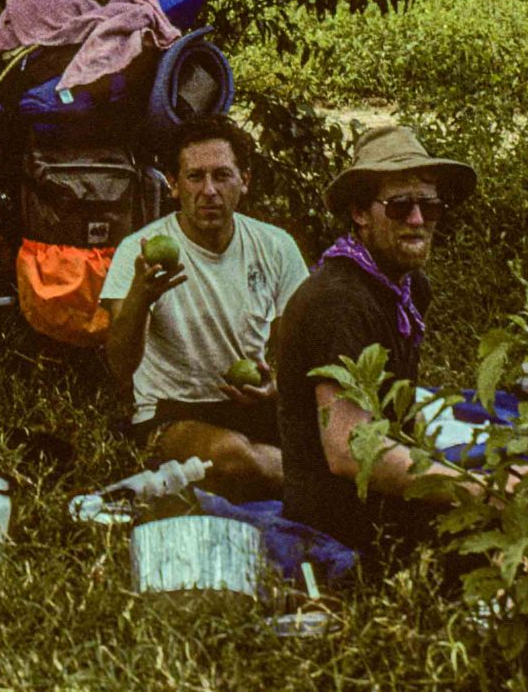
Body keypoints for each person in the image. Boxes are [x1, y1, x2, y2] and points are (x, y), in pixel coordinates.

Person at [272, 124, 505, 569]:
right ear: (360, 213)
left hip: (388, 495)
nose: (417, 220)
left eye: (429, 206)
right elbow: (348, 452)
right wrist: (478, 489)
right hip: (341, 516)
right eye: (400, 206)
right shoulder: (338, 302)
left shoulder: (408, 287)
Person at [99, 116, 309, 499]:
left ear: (244, 180)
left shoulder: (276, 246)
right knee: (235, 458)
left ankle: (310, 477)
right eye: (195, 177)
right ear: (173, 185)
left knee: (340, 432)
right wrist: (140, 298)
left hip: (251, 403)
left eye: (222, 175)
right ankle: (325, 485)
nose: (209, 191)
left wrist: (277, 388)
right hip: (171, 412)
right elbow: (120, 366)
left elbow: (299, 348)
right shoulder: (140, 251)